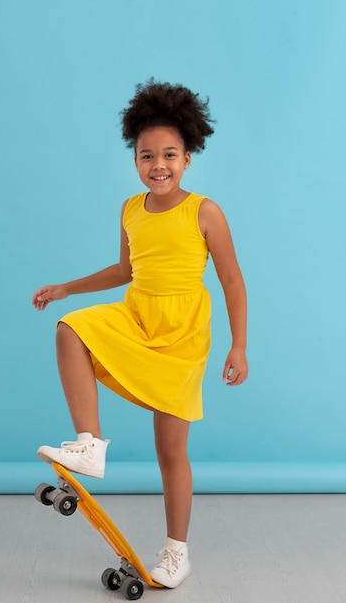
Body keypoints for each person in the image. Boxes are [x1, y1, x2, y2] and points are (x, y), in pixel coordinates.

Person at [32, 79, 248, 588]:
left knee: (171, 451)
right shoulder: (131, 209)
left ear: (189, 157)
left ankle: (176, 551)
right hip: (137, 318)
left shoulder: (205, 211)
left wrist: (238, 343)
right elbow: (125, 271)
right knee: (72, 330)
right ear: (134, 160)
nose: (159, 165)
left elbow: (232, 280)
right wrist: (67, 287)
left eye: (170, 154)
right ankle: (90, 444)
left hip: (182, 334)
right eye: (147, 155)